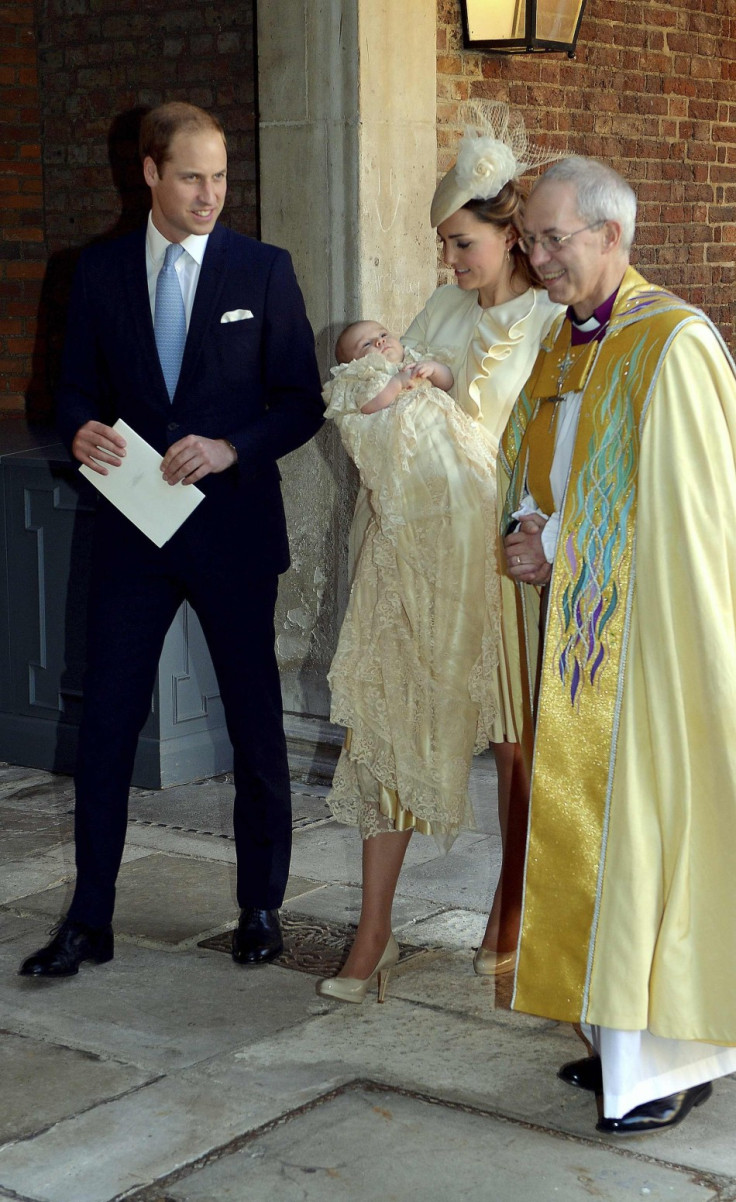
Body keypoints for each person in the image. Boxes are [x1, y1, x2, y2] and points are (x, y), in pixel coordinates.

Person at [19, 101, 324, 978]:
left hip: (231, 532)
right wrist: (76, 429)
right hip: (129, 532)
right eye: (192, 176)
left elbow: (301, 400)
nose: (210, 194)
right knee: (107, 724)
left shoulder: (263, 271)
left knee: (256, 724)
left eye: (220, 177)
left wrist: (232, 448)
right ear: (149, 173)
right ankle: (89, 921)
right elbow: (68, 391)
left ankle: (262, 906)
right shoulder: (96, 271)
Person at [499, 154, 736, 1134]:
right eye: (531, 238)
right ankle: (614, 1043)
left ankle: (670, 1058)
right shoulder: (565, 341)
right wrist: (525, 520)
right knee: (590, 839)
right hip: (583, 638)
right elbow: (536, 453)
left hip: (651, 649)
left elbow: (688, 518)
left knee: (644, 837)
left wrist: (558, 543)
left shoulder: (671, 343)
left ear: (611, 235)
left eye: (554, 238)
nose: (538, 256)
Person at [316, 103, 563, 1003]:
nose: (451, 263)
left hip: (504, 560)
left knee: (515, 749)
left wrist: (428, 382)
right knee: (388, 729)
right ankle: (373, 932)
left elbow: (507, 424)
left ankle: (514, 908)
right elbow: (389, 389)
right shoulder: (443, 306)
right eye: (445, 248)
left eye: (463, 244)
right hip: (427, 553)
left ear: (508, 235)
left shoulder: (548, 315)